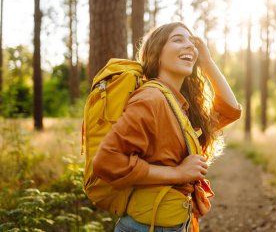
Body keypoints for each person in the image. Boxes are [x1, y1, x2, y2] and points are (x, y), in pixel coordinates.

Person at [92, 22, 241, 232]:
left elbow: (230, 110)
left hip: (168, 224)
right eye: (177, 39)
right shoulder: (151, 99)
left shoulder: (176, 104)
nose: (189, 46)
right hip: (147, 227)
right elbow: (107, 161)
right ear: (157, 53)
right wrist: (179, 173)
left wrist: (207, 62)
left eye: (191, 42)